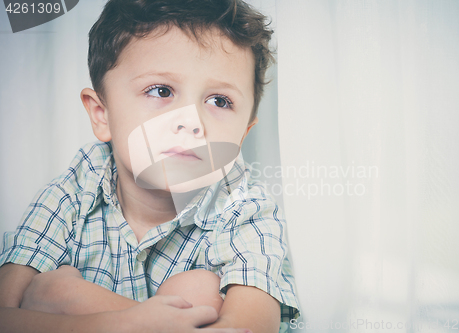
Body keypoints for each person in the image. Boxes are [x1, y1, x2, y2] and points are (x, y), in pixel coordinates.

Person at [0, 0, 299, 332]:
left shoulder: (246, 209)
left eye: (219, 101)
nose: (191, 122)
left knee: (199, 290)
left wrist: (74, 302)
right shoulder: (74, 189)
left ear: (242, 136)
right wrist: (123, 322)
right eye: (161, 90)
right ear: (103, 115)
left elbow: (247, 327)